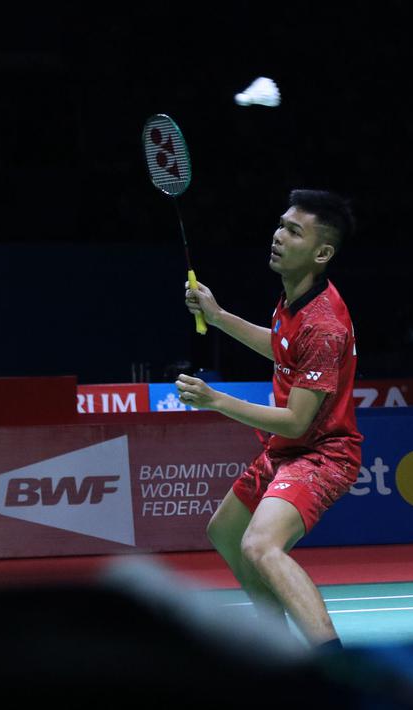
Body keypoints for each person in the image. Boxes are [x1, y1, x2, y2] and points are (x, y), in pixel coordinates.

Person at [175, 189, 362, 650]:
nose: (278, 236)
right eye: (281, 225)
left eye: (293, 232)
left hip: (322, 454)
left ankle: (331, 660)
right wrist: (217, 317)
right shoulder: (294, 300)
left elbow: (298, 422)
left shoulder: (324, 324)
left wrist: (217, 401)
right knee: (225, 531)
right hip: (287, 451)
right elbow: (280, 346)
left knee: (259, 544)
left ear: (322, 253)